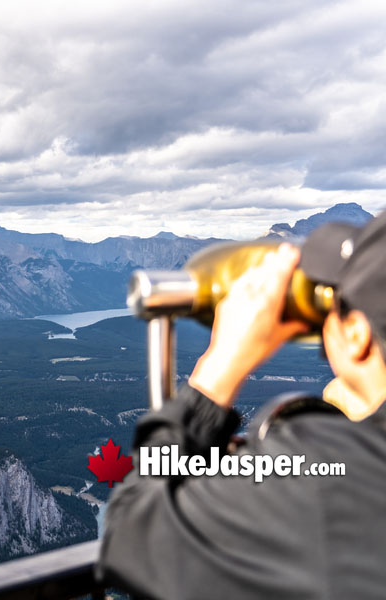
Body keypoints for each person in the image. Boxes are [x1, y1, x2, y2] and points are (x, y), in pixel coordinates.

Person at [97, 211, 386, 599]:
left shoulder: (330, 478)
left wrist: (221, 365)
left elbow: (132, 530)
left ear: (356, 334)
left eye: (338, 307)